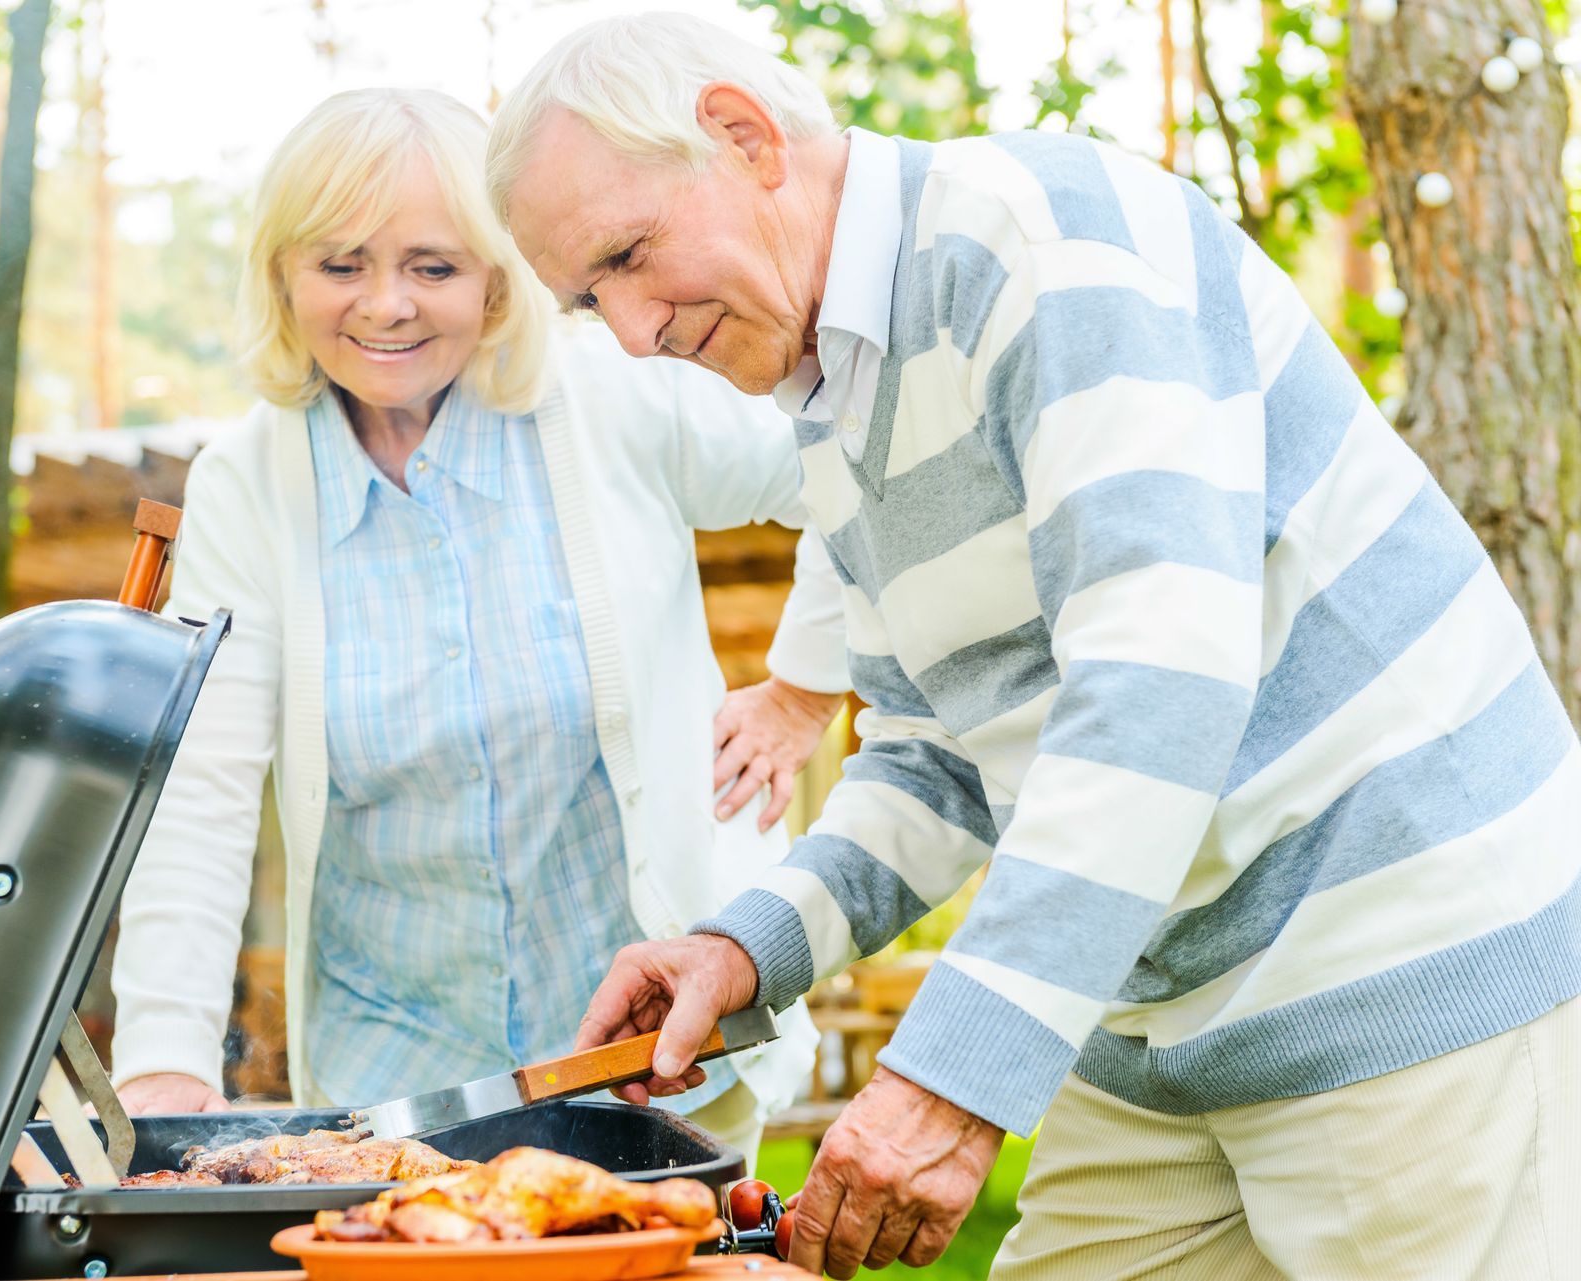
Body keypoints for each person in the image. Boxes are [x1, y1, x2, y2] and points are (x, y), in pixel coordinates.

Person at [487, 15, 1581, 1279]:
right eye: (588, 297)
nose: (629, 332)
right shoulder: (832, 393)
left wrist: (951, 1076)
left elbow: (1158, 684)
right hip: (1161, 1015)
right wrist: (745, 950)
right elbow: (937, 757)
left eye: (629, 256)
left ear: (742, 137)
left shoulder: (1047, 245)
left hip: (1403, 968)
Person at [109, 88, 850, 1162]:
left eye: (434, 266)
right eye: (340, 265)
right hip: (396, 1087)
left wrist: (805, 686)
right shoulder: (246, 488)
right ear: (282, 275)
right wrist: (166, 1066)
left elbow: (850, 460)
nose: (387, 305)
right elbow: (202, 795)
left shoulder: (612, 394)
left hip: (649, 1065)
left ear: (499, 278)